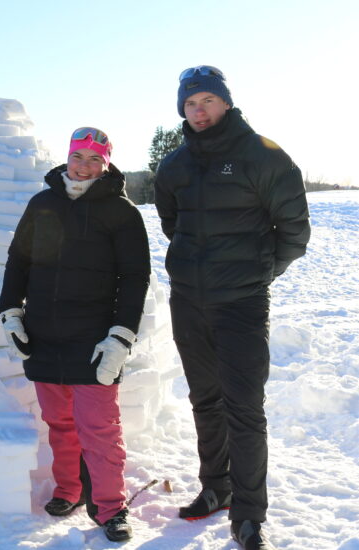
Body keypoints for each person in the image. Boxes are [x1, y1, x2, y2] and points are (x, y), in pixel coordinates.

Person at [154, 66, 310, 550]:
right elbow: (171, 224)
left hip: (241, 302)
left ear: (225, 102)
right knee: (206, 400)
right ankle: (215, 487)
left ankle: (248, 515)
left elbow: (294, 233)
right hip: (189, 301)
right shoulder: (175, 165)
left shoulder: (262, 155)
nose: (198, 111)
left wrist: (256, 274)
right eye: (190, 104)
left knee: (244, 408)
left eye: (206, 101)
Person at [0, 127, 150, 542]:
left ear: (106, 164)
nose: (83, 166)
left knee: (100, 429)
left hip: (94, 339)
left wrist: (120, 336)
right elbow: (19, 260)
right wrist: (11, 311)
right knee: (59, 422)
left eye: (93, 159)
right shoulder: (42, 203)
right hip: (44, 332)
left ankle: (111, 508)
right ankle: (70, 489)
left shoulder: (122, 212)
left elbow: (135, 277)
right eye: (77, 157)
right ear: (67, 158)